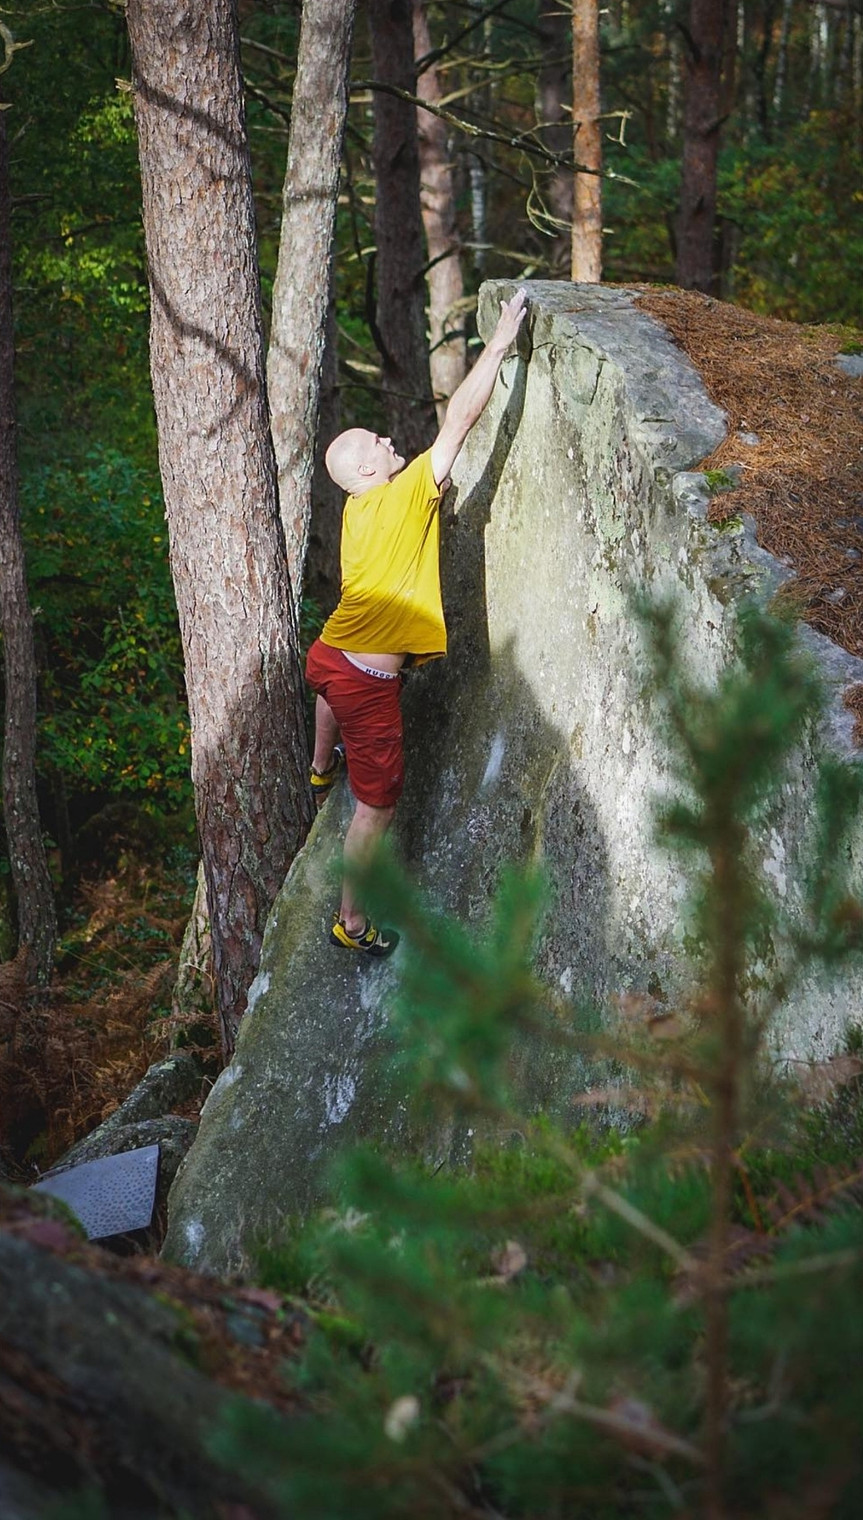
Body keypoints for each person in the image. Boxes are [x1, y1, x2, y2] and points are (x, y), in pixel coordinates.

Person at [306, 287, 528, 957]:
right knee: (375, 807)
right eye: (376, 441)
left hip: (329, 657)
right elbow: (458, 422)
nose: (387, 438)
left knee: (326, 686)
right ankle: (350, 923)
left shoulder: (358, 508)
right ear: (367, 468)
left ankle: (319, 765)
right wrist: (498, 344)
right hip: (364, 684)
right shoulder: (401, 495)